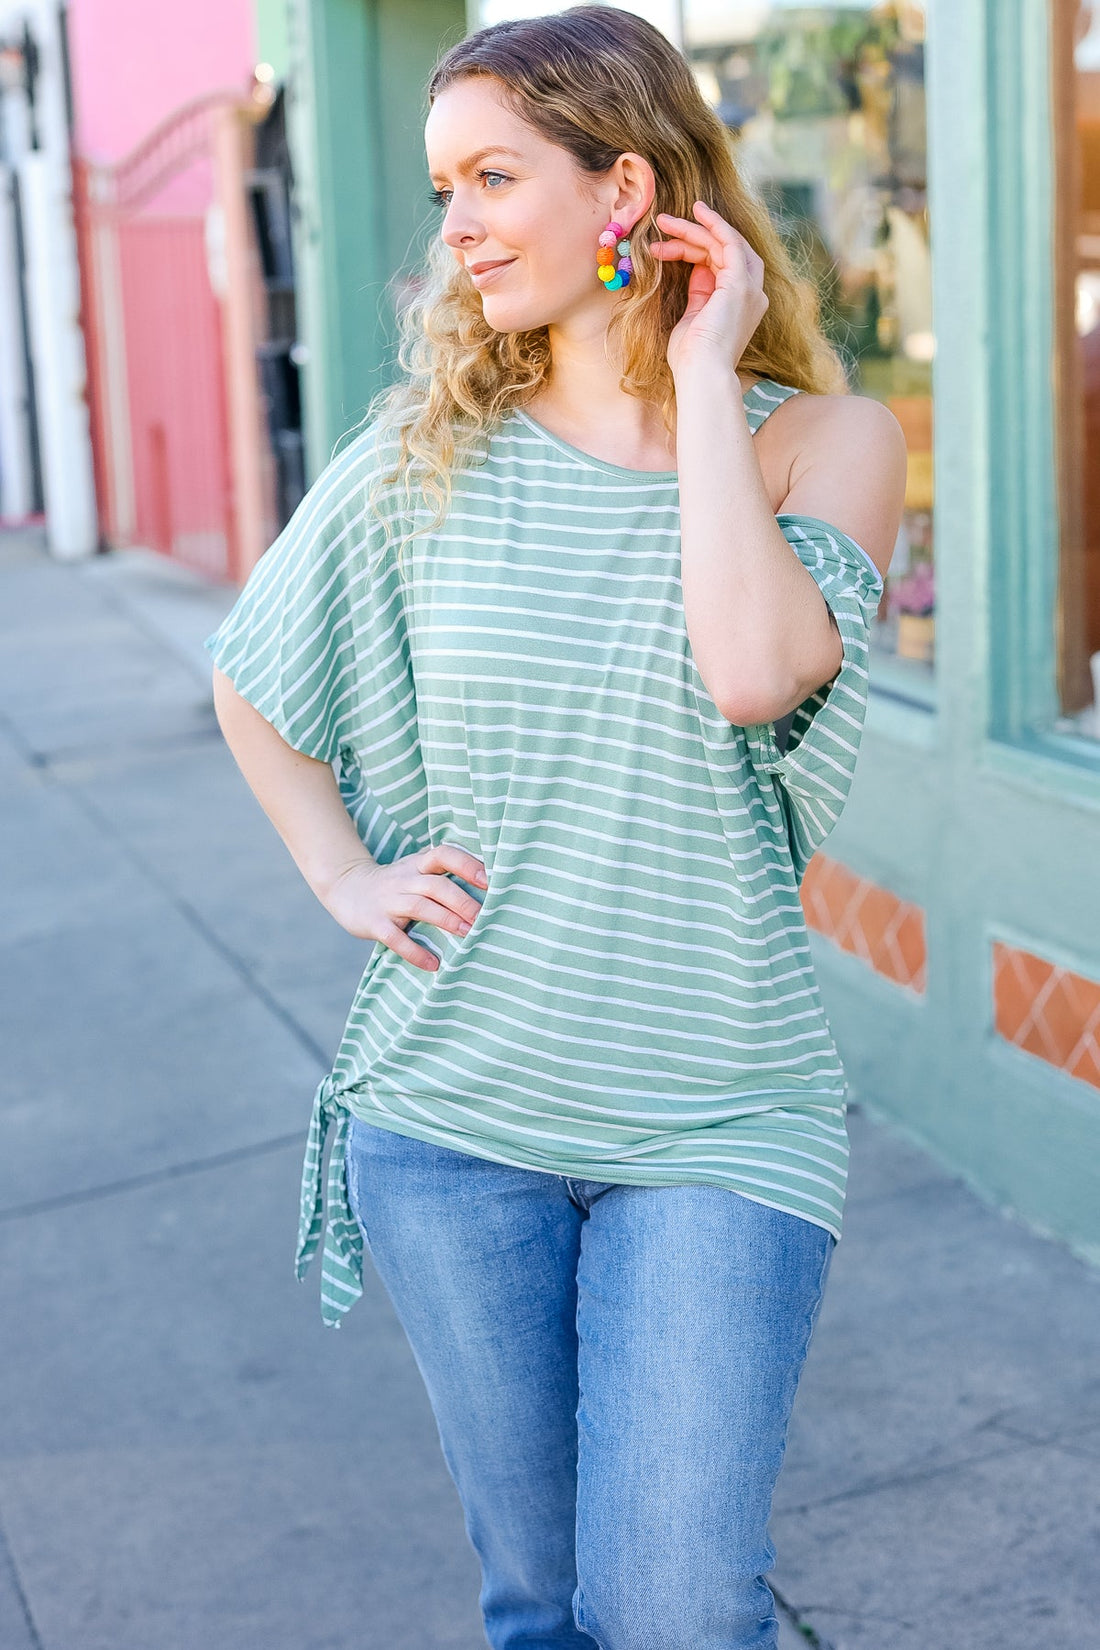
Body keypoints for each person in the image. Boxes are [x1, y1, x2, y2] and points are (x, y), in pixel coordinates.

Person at [205, 8, 907, 1647]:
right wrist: (342, 872)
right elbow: (255, 681)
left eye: (493, 176)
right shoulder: (426, 456)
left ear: (627, 191)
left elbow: (750, 672)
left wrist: (705, 373)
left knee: (670, 1607)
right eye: (446, 184)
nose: (452, 225)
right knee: (541, 1605)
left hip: (718, 1116)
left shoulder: (826, 442)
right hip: (456, 1123)